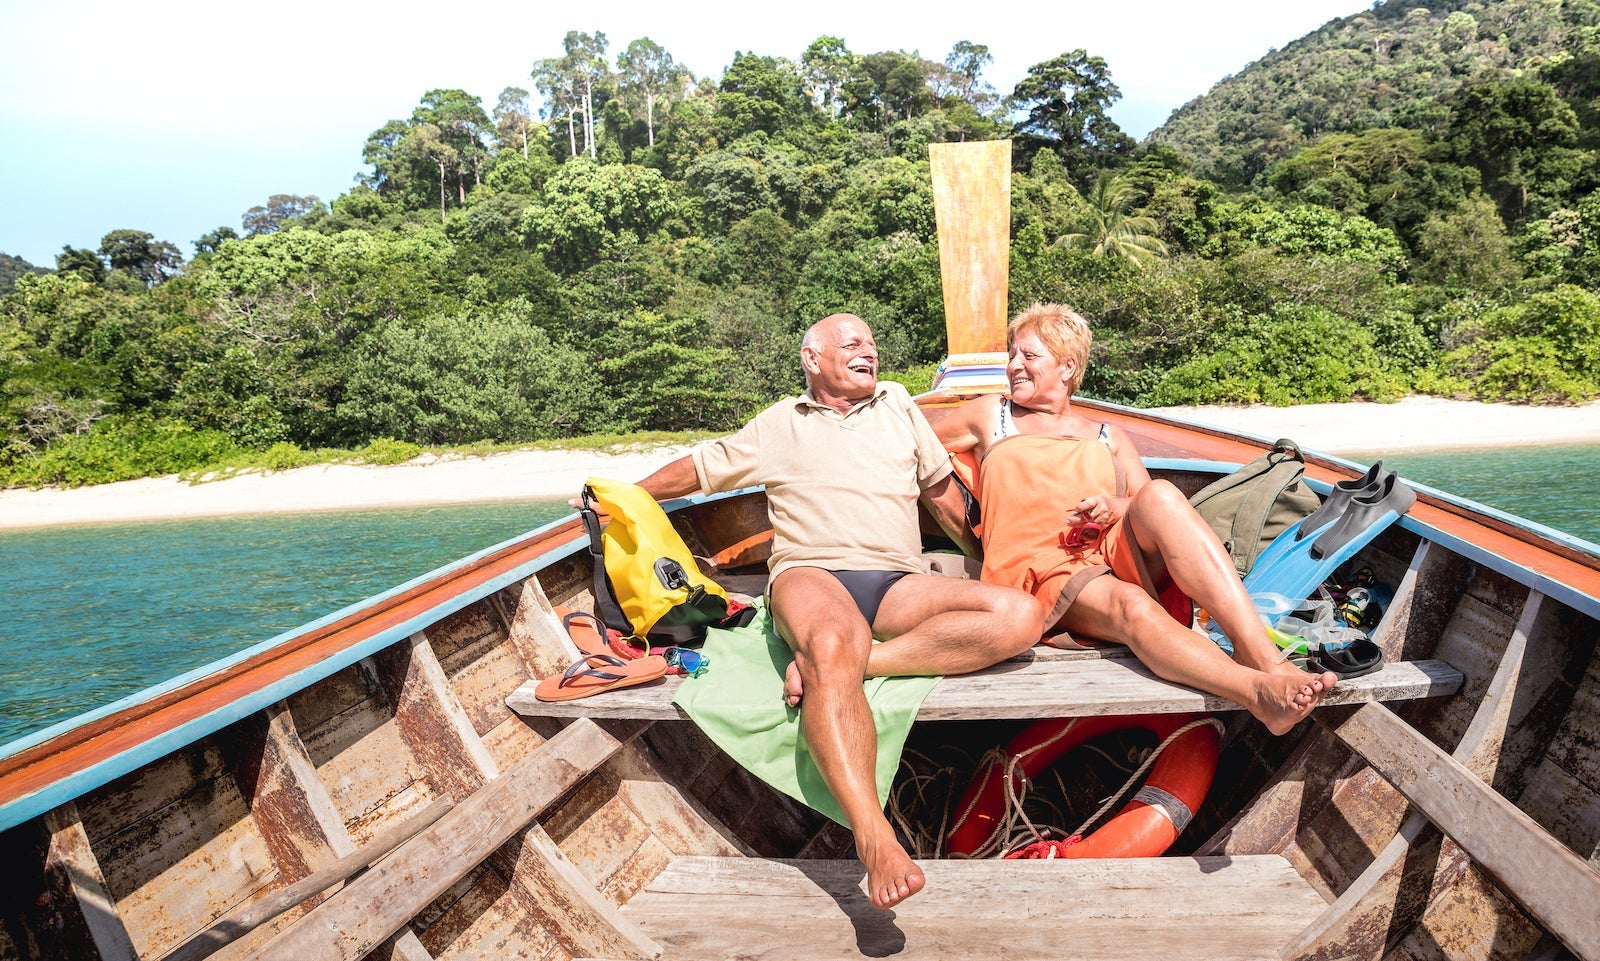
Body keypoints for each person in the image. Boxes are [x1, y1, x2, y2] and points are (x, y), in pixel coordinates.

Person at [630, 312, 1044, 911]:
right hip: (811, 572)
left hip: (897, 579)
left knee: (1018, 615)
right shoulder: (780, 422)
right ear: (812, 357)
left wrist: (991, 564)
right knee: (828, 641)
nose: (868, 353)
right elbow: (698, 468)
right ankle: (874, 836)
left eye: (872, 345)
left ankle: (862, 663)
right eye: (852, 344)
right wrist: (620, 492)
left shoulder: (900, 404)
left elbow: (944, 498)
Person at [934, 303, 1337, 736]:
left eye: (1029, 356)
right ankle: (1257, 693)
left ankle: (1261, 655)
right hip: (1038, 568)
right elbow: (913, 449)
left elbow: (1143, 504)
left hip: (1107, 548)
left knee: (1162, 494)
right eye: (1012, 355)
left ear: (1067, 366)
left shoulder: (1108, 434)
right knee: (1130, 604)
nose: (1015, 365)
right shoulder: (991, 414)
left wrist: (1115, 506)